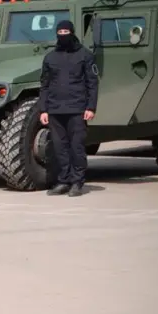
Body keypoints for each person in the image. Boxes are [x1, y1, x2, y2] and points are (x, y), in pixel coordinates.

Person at [38, 19, 99, 197]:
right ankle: (63, 181)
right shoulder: (50, 57)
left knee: (77, 147)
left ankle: (77, 182)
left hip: (78, 109)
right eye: (60, 33)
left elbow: (93, 83)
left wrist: (91, 107)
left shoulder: (85, 55)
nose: (63, 36)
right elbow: (44, 85)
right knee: (59, 148)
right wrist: (43, 109)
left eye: (66, 32)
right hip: (55, 110)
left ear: (72, 33)